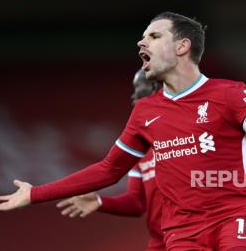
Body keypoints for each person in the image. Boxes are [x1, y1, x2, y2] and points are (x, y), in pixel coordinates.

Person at [0, 12, 246, 250]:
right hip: (181, 231)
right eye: (143, 37)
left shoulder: (228, 94)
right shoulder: (145, 113)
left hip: (235, 214)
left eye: (154, 36)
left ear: (182, 46)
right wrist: (36, 194)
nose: (142, 41)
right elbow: (109, 170)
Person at [56, 69, 165, 251]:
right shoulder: (140, 148)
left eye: (138, 88)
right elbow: (136, 203)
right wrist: (100, 201)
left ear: (155, 87)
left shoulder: (191, 136)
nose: (132, 96)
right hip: (159, 245)